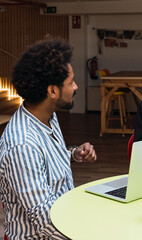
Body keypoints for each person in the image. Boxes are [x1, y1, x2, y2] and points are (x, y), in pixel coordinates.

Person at [0, 38, 97, 239]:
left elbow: (46, 162)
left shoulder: (48, 117)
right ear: (52, 91)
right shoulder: (22, 145)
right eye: (71, 83)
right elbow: (45, 220)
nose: (76, 87)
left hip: (66, 222)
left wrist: (73, 153)